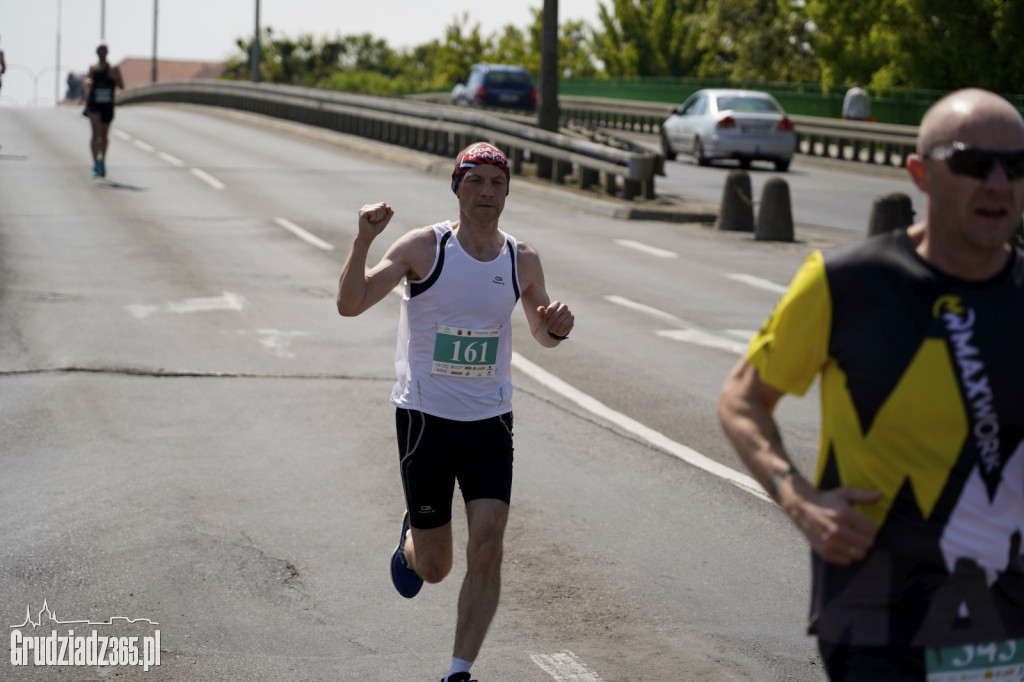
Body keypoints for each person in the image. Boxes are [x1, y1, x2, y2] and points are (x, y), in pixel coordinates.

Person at [718, 87, 1024, 681]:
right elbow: (743, 398)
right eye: (970, 163)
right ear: (921, 174)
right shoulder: (846, 283)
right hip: (876, 614)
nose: (997, 183)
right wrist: (798, 496)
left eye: (1016, 166)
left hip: (1005, 613)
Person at [336, 142, 575, 682]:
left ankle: (458, 671)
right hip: (426, 419)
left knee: (489, 546)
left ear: (508, 191)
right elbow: (351, 304)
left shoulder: (522, 259)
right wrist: (362, 241)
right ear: (457, 187)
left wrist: (556, 325)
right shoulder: (425, 248)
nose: (487, 192)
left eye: (497, 182)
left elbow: (543, 333)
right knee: (438, 567)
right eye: (475, 181)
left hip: (491, 422)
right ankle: (412, 545)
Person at [83, 43, 124, 178]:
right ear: (96, 52)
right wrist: (87, 83)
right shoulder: (93, 68)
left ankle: (102, 161)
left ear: (107, 53)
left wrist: (115, 78)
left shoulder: (113, 68)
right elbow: (87, 81)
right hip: (94, 104)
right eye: (100, 50)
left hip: (107, 105)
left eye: (104, 50)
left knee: (104, 136)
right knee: (95, 134)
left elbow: (122, 86)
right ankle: (95, 163)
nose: (102, 53)